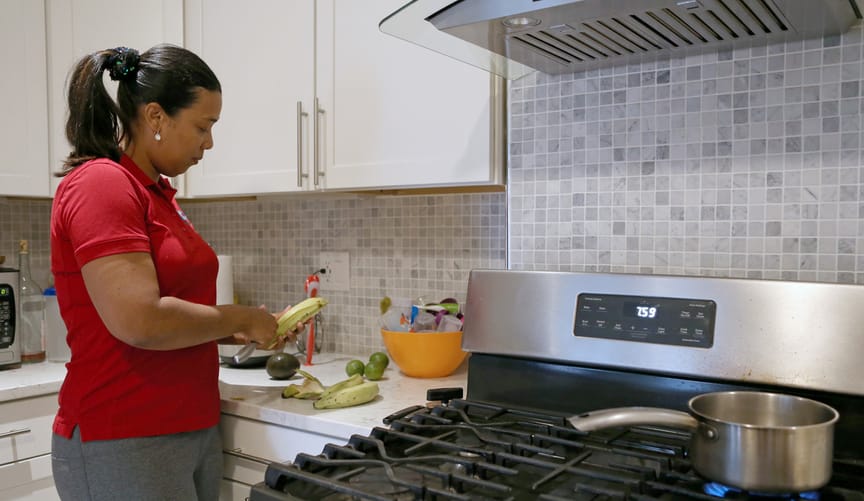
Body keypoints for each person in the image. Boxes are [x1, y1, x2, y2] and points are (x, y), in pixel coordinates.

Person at [49, 44, 300, 501]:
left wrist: (240, 332)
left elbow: (174, 314)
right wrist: (238, 318)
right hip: (123, 435)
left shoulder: (157, 195)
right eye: (202, 126)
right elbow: (140, 321)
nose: (209, 142)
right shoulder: (102, 184)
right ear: (157, 118)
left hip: (189, 427)